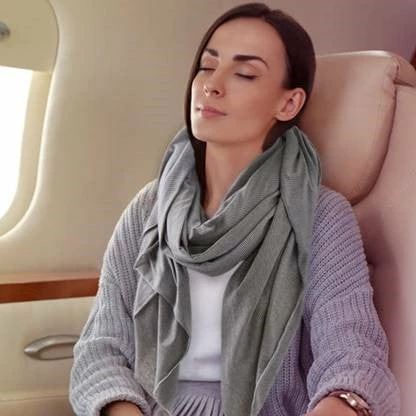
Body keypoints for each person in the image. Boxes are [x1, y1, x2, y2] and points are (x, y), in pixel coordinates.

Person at [70, 3, 400, 416]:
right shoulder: (148, 208)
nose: (212, 85)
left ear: (289, 103)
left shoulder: (322, 216)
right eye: (207, 67)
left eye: (244, 73)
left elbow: (353, 355)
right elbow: (100, 348)